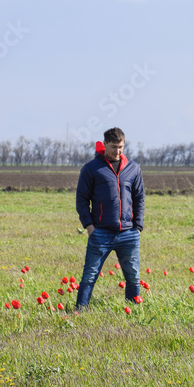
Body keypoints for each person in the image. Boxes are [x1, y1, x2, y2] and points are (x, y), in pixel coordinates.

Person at [75, 127, 145, 308]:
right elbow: (82, 199)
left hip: (128, 233)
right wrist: (89, 227)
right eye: (114, 147)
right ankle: (79, 312)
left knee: (133, 277)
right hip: (100, 233)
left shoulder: (133, 169)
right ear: (104, 144)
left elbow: (139, 199)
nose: (117, 151)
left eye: (121, 147)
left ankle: (133, 311)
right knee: (89, 276)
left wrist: (137, 227)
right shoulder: (91, 168)